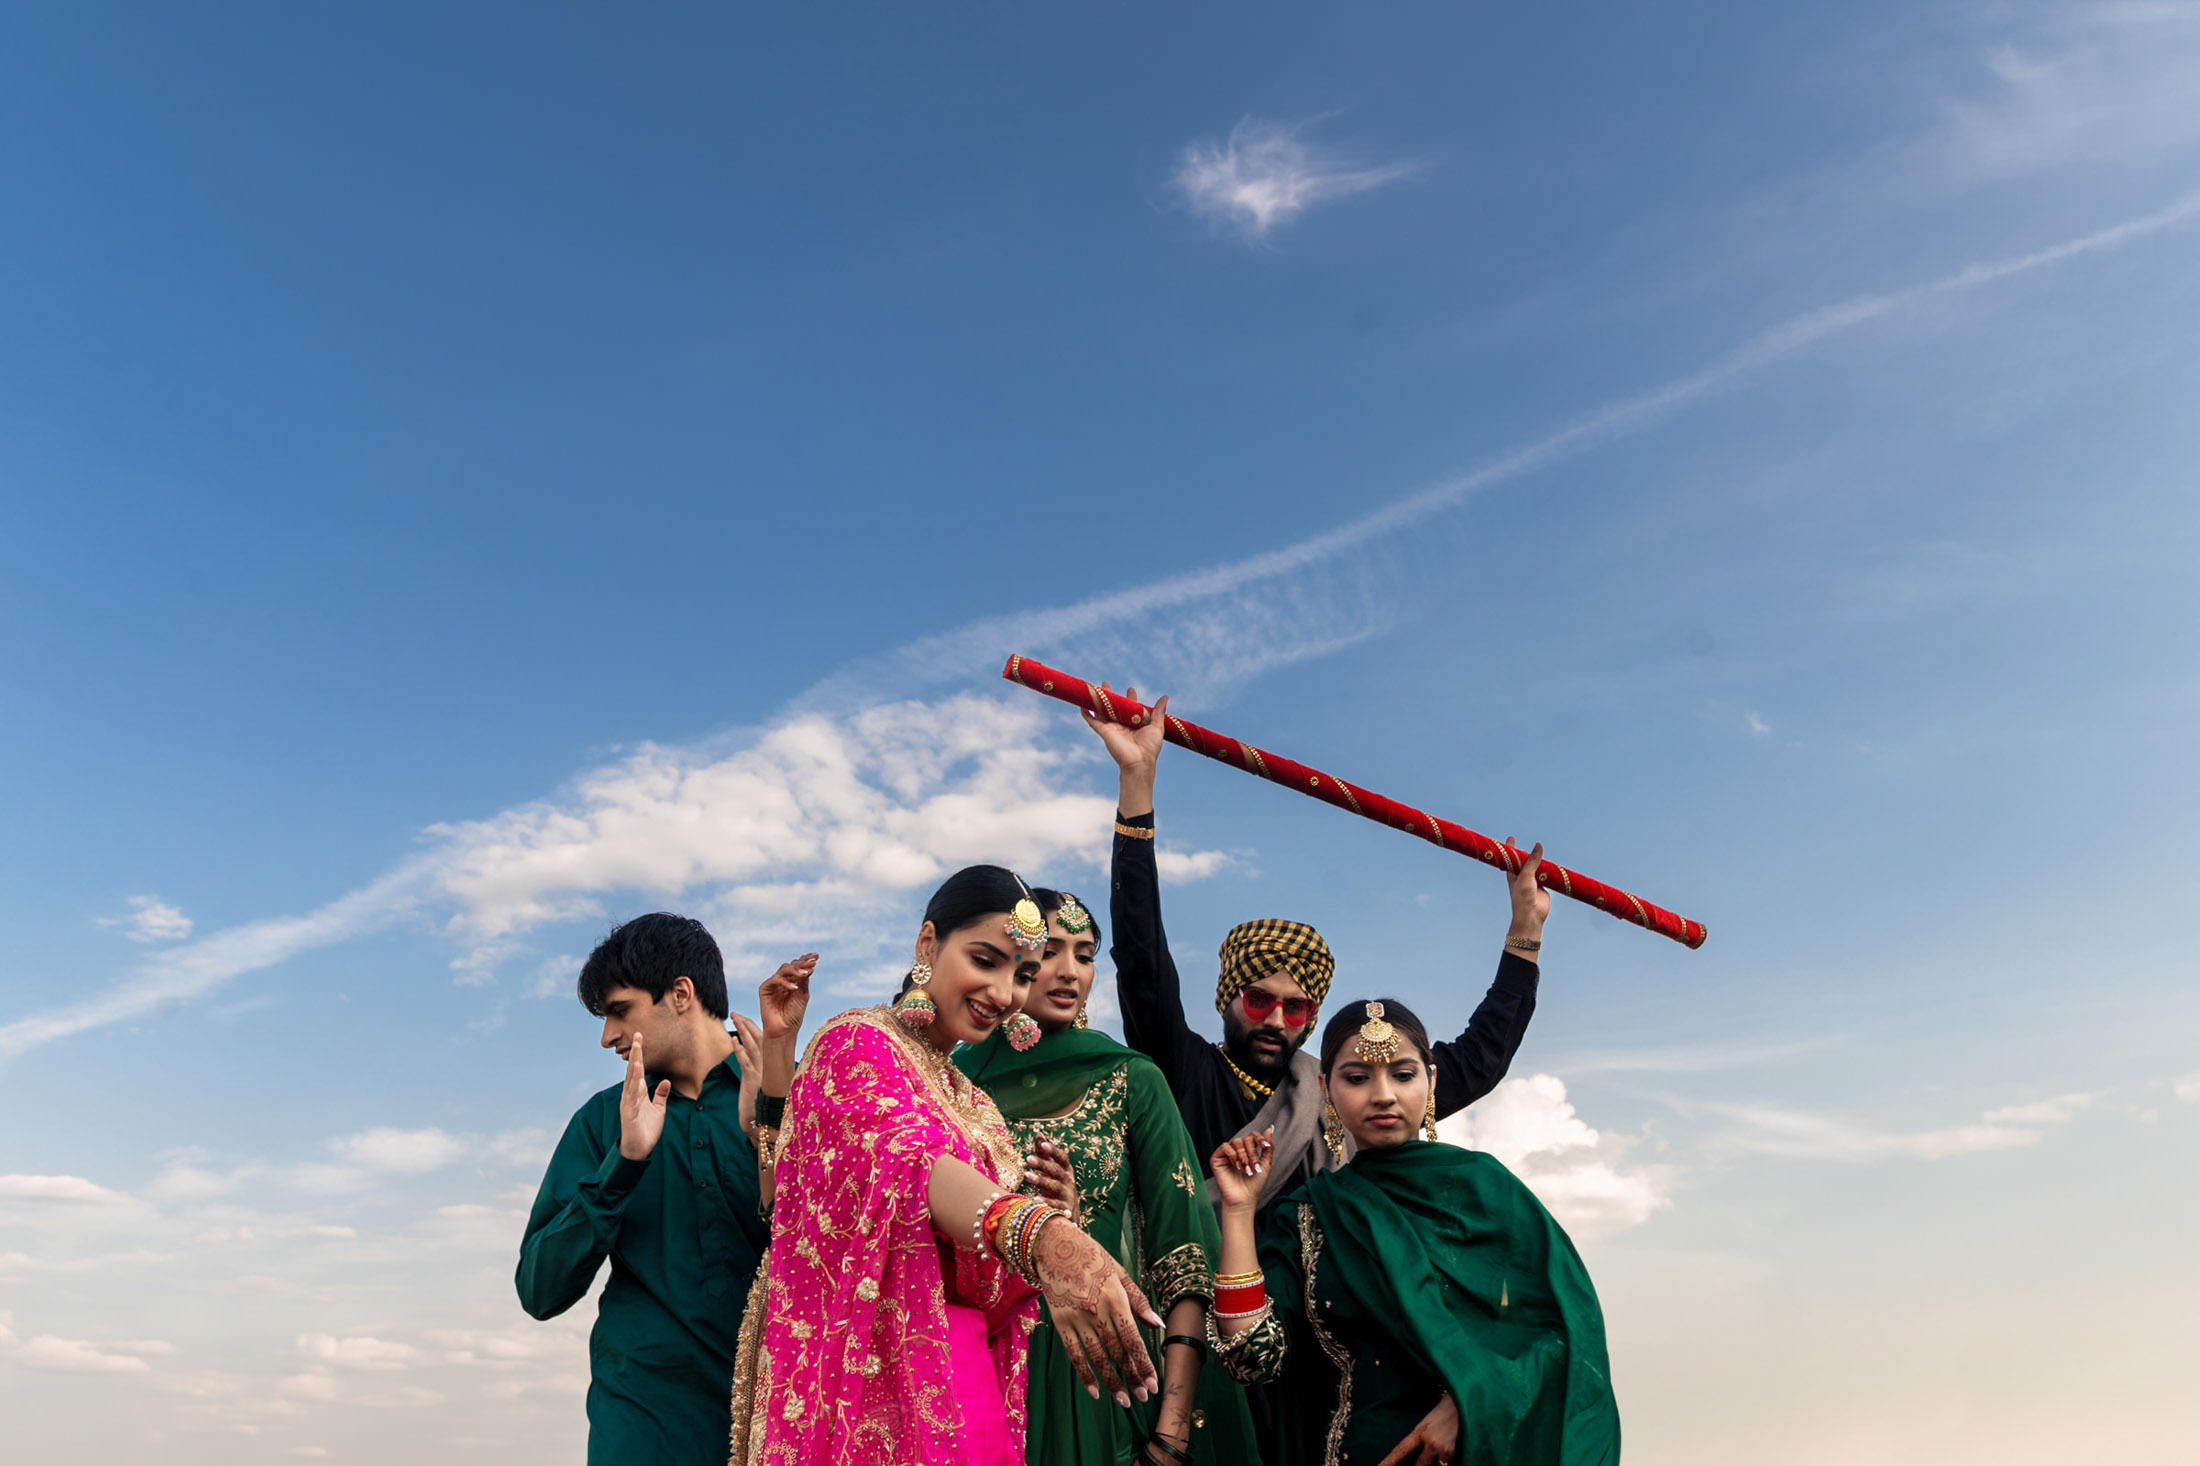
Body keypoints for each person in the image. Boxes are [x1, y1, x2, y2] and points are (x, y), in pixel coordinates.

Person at [730, 865, 1166, 1466]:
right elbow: (904, 1162)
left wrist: (1051, 1221)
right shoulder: (856, 1041)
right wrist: (1042, 1235)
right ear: (928, 944)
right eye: (985, 960)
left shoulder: (973, 1100)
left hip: (968, 1390)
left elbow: (986, 1258)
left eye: (1021, 974)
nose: (1004, 993)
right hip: (870, 1387)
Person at [1092, 684, 1547, 1211]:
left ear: (1312, 1018)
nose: (1275, 1020)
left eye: (1295, 1007)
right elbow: (1141, 955)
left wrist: (1525, 930)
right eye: (1259, 1000)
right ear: (1227, 998)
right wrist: (1137, 783)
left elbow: (1480, 1060)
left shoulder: (1343, 1092)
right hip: (1197, 1290)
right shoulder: (1184, 1068)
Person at [1207, 999, 1620, 1466]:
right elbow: (1250, 1356)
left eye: (1403, 1075)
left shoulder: (1486, 1191)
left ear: (1432, 1081)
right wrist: (1240, 1210)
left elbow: (1564, 1336)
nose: (1383, 1095)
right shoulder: (1307, 1215)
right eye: (1357, 1078)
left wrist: (1469, 1398)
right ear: (1326, 1089)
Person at [955, 886, 1260, 1466]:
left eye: (1086, 955)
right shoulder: (954, 1083)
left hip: (1101, 1379)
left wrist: (1171, 1434)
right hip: (978, 1369)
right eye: (1049, 952)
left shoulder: (1129, 1078)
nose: (1069, 971)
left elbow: (1183, 1258)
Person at [515, 913, 795, 1466]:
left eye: (620, 1012)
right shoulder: (602, 1122)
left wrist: (765, 1131)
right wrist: (623, 1162)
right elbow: (539, 1291)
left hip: (779, 1416)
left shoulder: (794, 1094)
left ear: (681, 994)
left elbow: (833, 1258)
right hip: (643, 1418)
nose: (607, 1037)